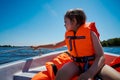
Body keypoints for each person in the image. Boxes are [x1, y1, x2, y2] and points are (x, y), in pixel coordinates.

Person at [31, 8, 120, 80]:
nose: (64, 25)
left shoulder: (90, 33)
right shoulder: (69, 35)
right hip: (75, 63)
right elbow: (55, 45)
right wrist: (39, 46)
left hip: (93, 63)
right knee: (60, 76)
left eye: (65, 21)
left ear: (73, 21)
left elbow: (101, 56)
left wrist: (90, 73)